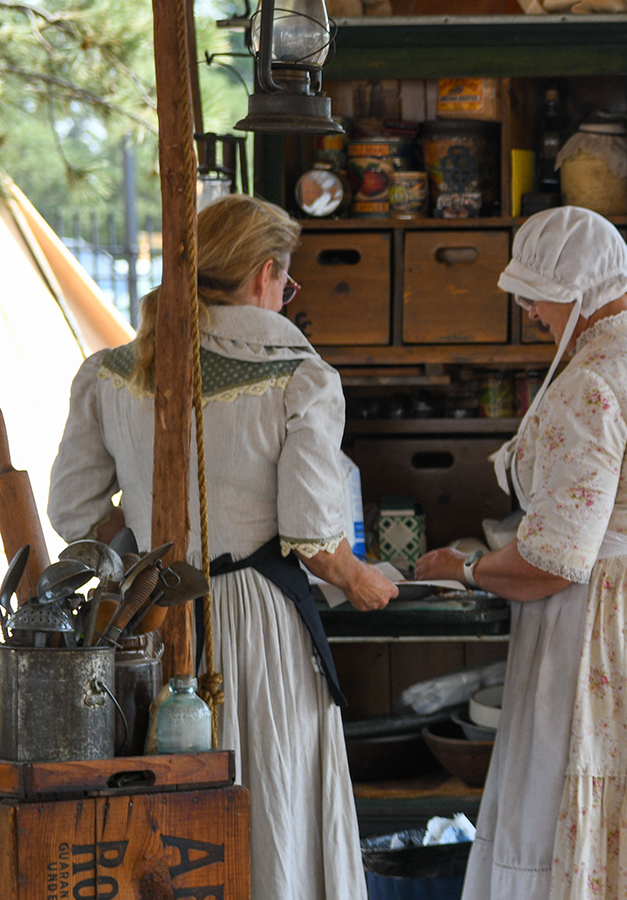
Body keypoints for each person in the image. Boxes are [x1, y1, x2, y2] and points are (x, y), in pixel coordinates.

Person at [48, 194, 397, 900]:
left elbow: (75, 516)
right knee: (270, 797)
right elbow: (313, 535)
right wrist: (362, 580)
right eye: (287, 283)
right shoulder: (299, 376)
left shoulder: (116, 369)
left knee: (167, 818)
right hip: (256, 622)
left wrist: (151, 539)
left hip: (150, 617)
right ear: (266, 274)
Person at [415, 206, 627, 900]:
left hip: (617, 629)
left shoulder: (590, 384)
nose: (529, 312)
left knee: (598, 800)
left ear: (574, 287)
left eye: (535, 295)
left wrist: (459, 570)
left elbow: (553, 563)